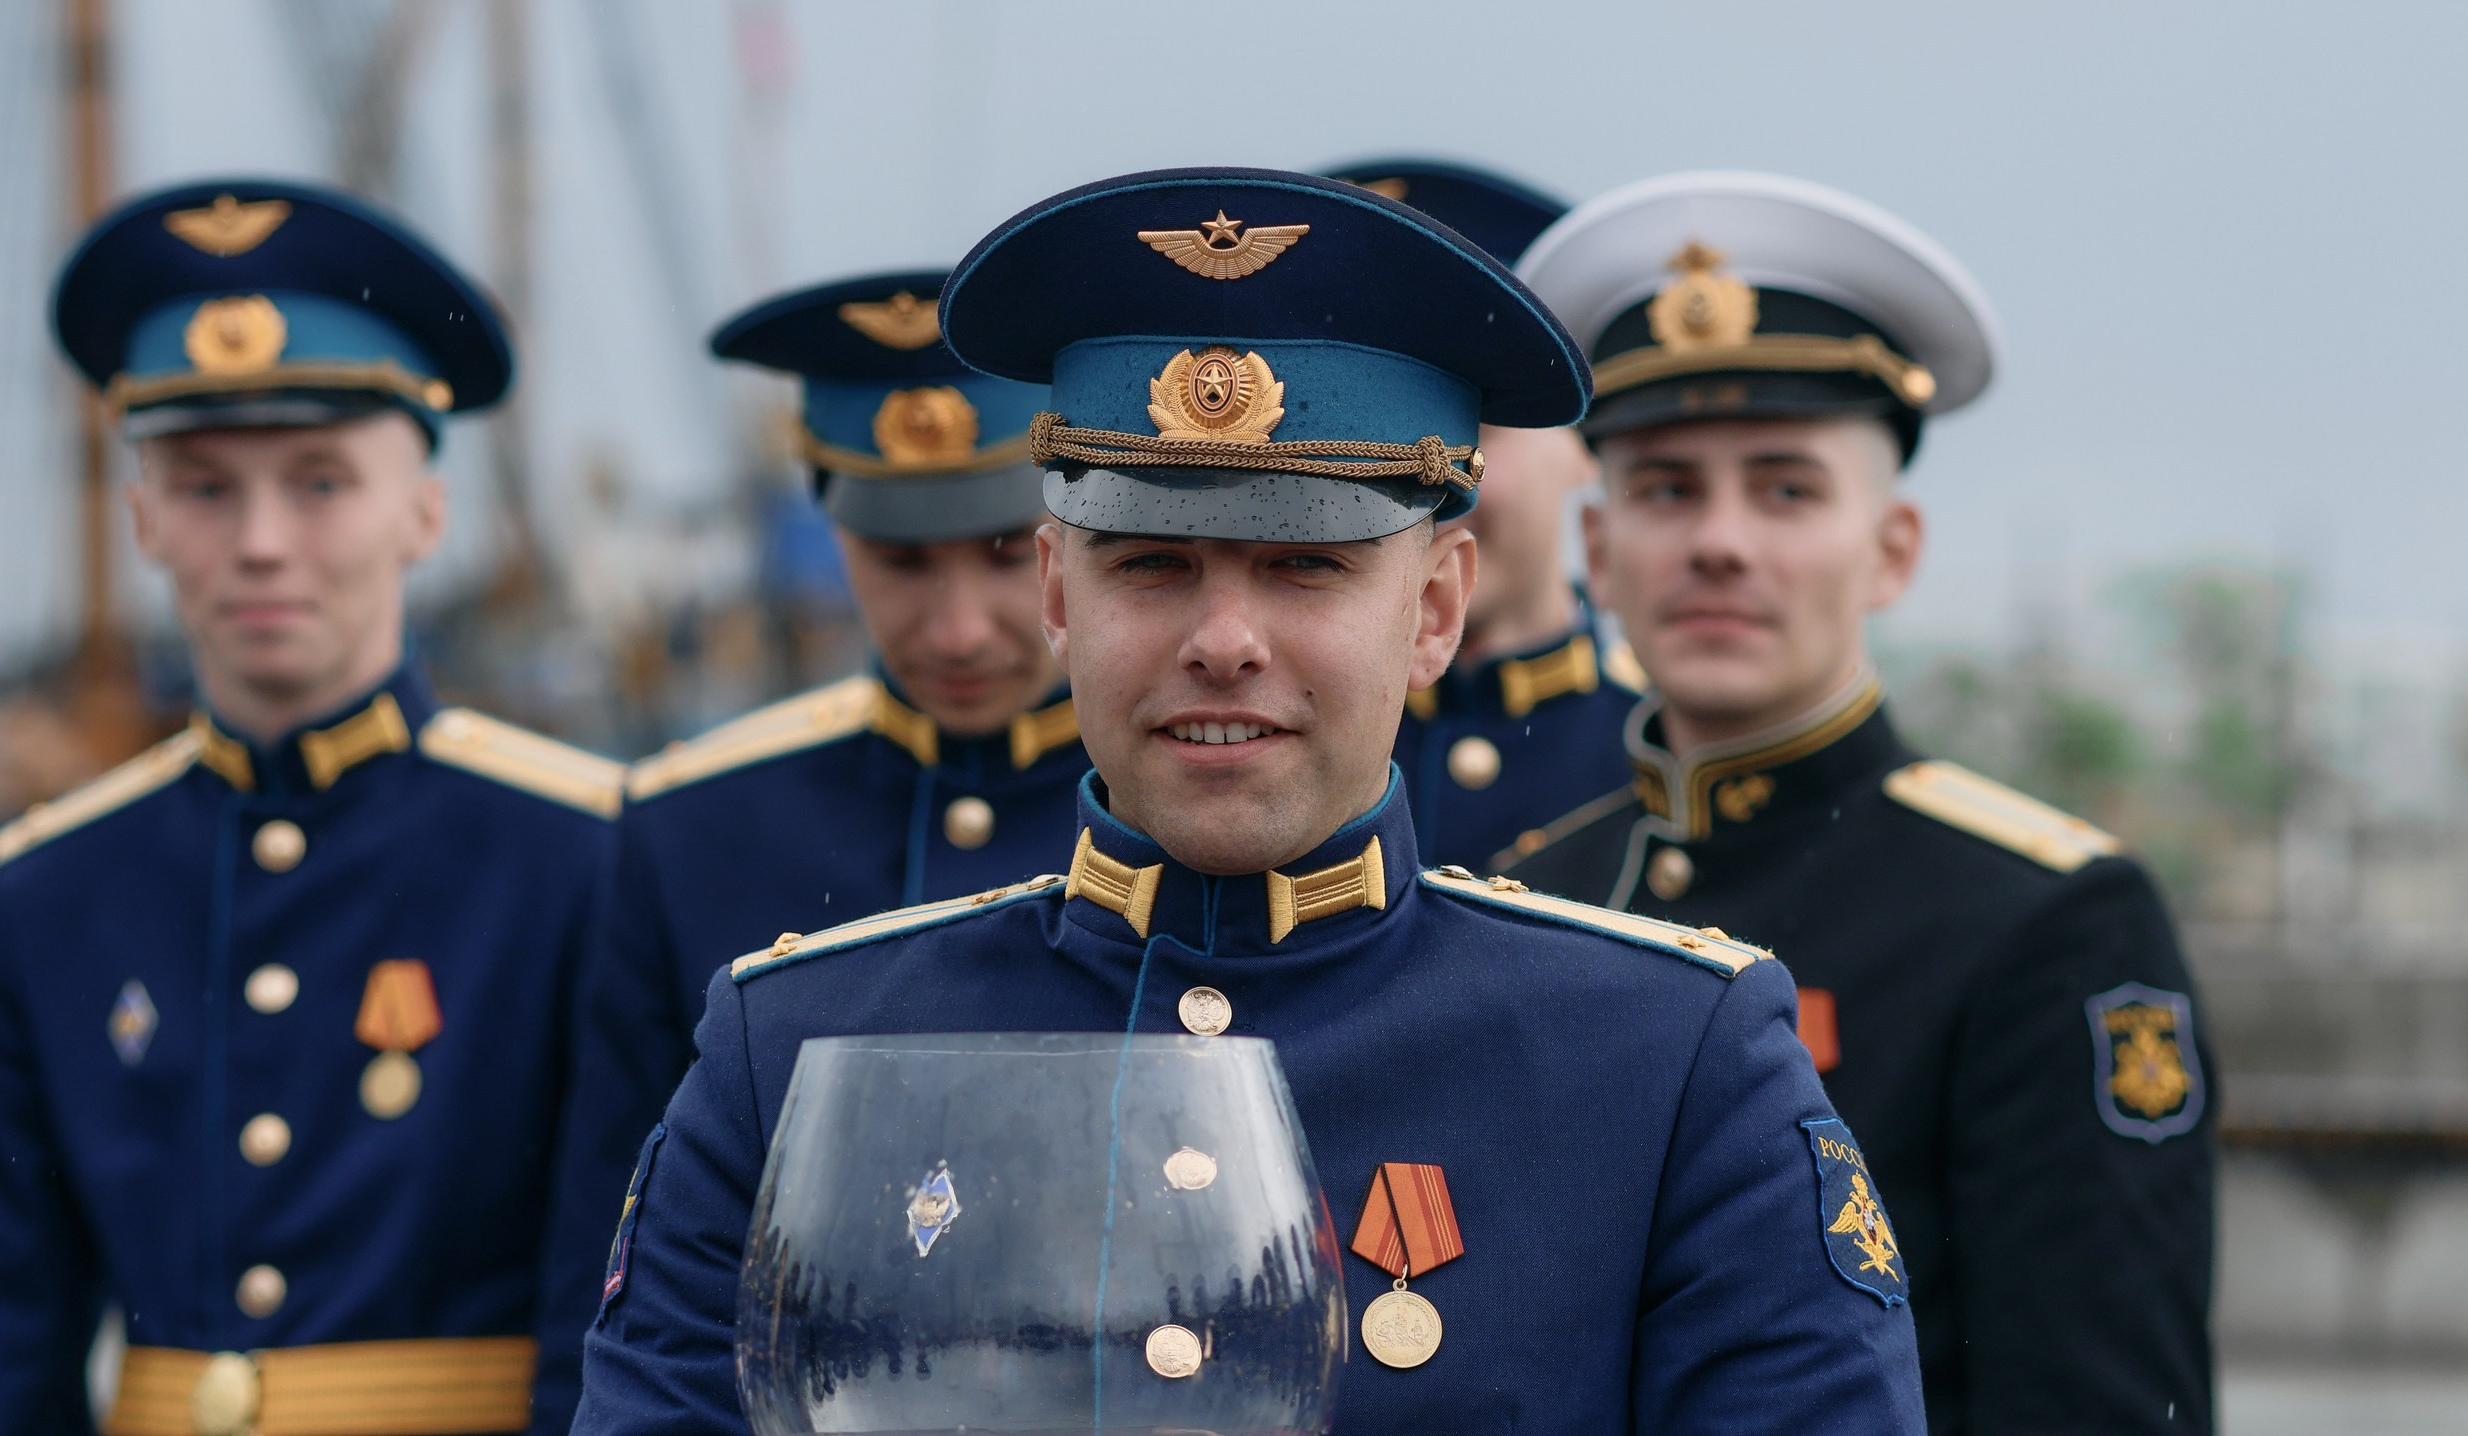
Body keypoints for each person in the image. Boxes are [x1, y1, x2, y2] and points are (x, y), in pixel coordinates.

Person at [569, 167, 1925, 1434]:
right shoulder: (791, 1051)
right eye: (1151, 566)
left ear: (1438, 608)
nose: (1223, 638)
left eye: (1305, 569)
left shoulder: (1668, 1061)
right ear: (1058, 594)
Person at [1503, 171, 2215, 1433]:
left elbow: (2093, 1395)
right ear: (1599, 555)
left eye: (1785, 489)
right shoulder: (1529, 896)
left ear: (1892, 547)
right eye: (1667, 489)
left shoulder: (2044, 919)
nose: (1719, 541)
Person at [0, 179, 623, 1435]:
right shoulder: (47, 891)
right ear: (140, 513)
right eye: (203, 488)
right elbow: (1, 1340)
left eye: (319, 483)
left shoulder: (589, 854)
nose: (260, 542)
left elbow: (618, 1322)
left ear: (426, 509)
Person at [531, 271, 1087, 1420]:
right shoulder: (692, 828)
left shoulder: (1181, 807)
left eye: (997, 551)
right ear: (833, 526)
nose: (957, 625)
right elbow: (604, 1259)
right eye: (900, 561)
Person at [1326, 158, 1642, 871]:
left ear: (1585, 445)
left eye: (1471, 433)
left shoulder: (1660, 756)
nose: (1424, 487)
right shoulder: (1231, 760)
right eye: (1367, 442)